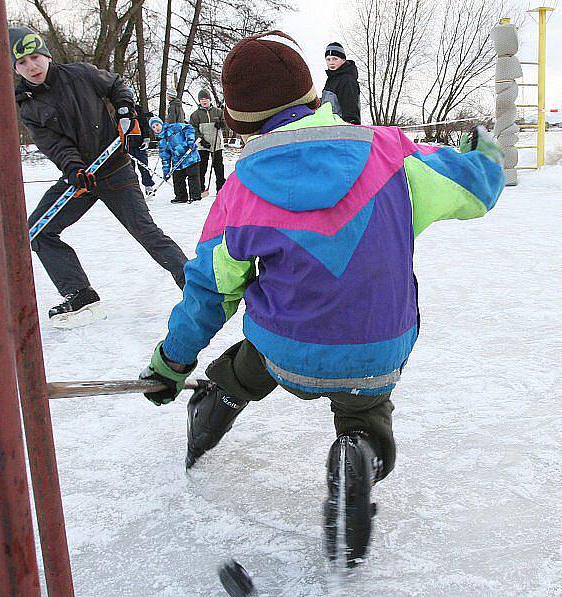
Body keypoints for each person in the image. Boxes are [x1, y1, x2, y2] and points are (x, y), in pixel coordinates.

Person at [139, 31, 505, 566]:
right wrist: (483, 151)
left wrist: (173, 361)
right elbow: (480, 187)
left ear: (239, 121)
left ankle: (213, 403)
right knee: (365, 412)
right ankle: (359, 452)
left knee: (251, 360)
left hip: (283, 349)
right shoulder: (391, 154)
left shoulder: (240, 189)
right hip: (375, 349)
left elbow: (209, 293)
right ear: (316, 95)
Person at [9, 27, 187, 328]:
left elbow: (117, 85)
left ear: (47, 56)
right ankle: (79, 293)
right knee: (39, 231)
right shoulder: (27, 105)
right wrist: (74, 169)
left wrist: (125, 111)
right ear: (15, 68)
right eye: (23, 63)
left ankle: (195, 287)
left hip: (115, 169)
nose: (32, 66)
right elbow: (55, 145)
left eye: (36, 57)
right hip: (80, 178)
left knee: (145, 231)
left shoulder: (79, 74)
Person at [149, 116, 201, 204]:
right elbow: (165, 158)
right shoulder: (162, 142)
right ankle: (181, 197)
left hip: (190, 156)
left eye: (157, 125)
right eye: (153, 127)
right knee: (177, 178)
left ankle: (195, 196)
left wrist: (190, 141)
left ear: (161, 124)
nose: (156, 128)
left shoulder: (174, 127)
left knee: (192, 176)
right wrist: (166, 172)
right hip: (177, 161)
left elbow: (189, 127)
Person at [189, 89, 227, 196]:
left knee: (218, 167)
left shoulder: (218, 112)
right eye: (201, 100)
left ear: (210, 100)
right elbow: (193, 129)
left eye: (205, 99)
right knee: (202, 167)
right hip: (203, 145)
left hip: (216, 144)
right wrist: (202, 140)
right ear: (199, 101)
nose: (204, 101)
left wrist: (221, 124)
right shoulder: (195, 115)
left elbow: (226, 124)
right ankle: (201, 188)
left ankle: (221, 188)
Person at [321, 41, 361, 124]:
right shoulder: (331, 80)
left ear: (343, 60)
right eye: (328, 59)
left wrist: (351, 125)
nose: (331, 62)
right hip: (328, 128)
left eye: (335, 59)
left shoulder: (347, 80)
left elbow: (351, 108)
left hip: (340, 130)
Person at [129, 101, 156, 196]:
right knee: (129, 170)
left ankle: (148, 186)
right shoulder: (119, 110)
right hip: (127, 145)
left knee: (144, 166)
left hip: (139, 144)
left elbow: (144, 125)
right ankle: (132, 190)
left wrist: (146, 139)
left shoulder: (138, 109)